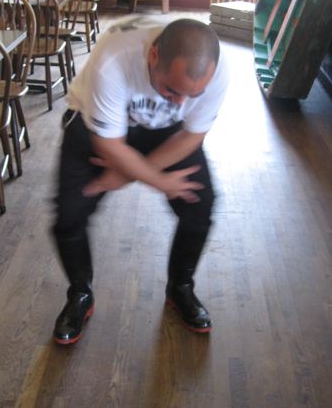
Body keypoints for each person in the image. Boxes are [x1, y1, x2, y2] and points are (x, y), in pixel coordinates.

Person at [52, 17, 229, 345]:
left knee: (200, 205)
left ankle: (181, 288)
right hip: (96, 123)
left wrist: (123, 175)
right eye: (172, 90)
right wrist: (157, 180)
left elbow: (192, 135)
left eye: (193, 95)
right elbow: (108, 144)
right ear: (153, 56)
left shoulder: (216, 71)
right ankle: (80, 293)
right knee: (70, 214)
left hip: (167, 132)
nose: (181, 102)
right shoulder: (114, 60)